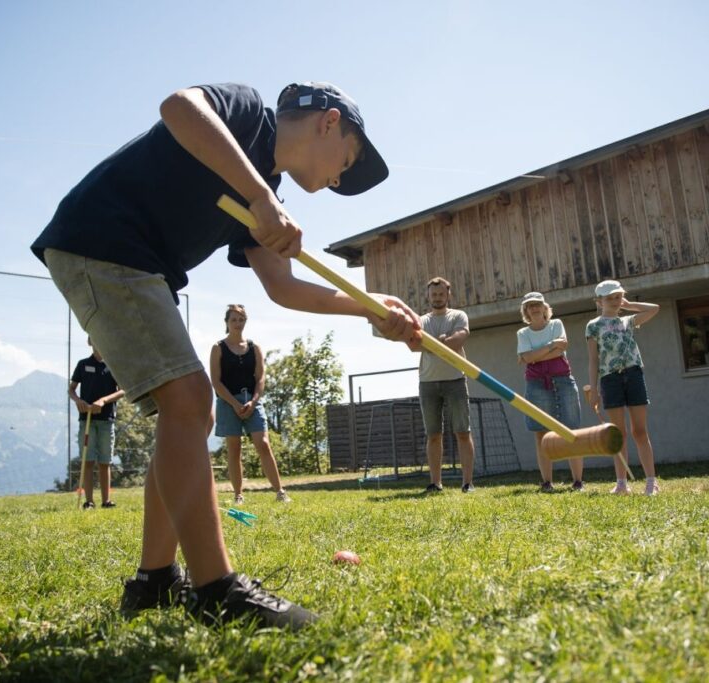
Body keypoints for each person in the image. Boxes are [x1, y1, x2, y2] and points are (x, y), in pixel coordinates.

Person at [31, 82, 420, 630]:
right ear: (327, 122)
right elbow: (178, 108)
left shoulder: (268, 197)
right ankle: (216, 589)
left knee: (186, 411)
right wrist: (260, 196)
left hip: (138, 263)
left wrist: (368, 307)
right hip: (101, 241)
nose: (338, 180)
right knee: (189, 400)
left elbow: (283, 289)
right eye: (346, 162)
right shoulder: (245, 114)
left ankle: (155, 580)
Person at [585, 280, 660, 495]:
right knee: (619, 434)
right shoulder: (593, 326)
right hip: (610, 379)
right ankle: (621, 483)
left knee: (639, 431)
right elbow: (593, 360)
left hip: (633, 375)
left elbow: (654, 309)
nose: (615, 301)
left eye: (618, 296)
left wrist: (628, 305)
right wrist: (594, 389)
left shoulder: (628, 321)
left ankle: (651, 481)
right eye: (609, 298)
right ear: (599, 301)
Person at [210, 304, 290, 504]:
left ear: (246, 321)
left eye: (241, 319)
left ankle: (280, 491)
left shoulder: (255, 348)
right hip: (227, 403)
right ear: (227, 322)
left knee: (263, 444)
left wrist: (253, 402)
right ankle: (238, 494)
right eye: (234, 320)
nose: (238, 323)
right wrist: (235, 404)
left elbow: (261, 378)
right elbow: (216, 381)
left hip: (253, 401)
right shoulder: (218, 347)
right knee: (234, 448)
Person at [516, 292, 584, 492]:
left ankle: (578, 481)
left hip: (563, 380)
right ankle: (547, 482)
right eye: (530, 306)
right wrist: (550, 347)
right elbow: (528, 358)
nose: (535, 308)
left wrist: (534, 355)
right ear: (526, 311)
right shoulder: (522, 333)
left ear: (545, 308)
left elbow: (561, 348)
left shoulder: (556, 325)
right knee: (541, 433)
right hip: (536, 383)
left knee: (572, 430)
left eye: (538, 304)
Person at [418, 277, 475, 493]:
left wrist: (434, 342)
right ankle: (435, 483)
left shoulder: (458, 315)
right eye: (434, 294)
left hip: (455, 380)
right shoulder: (422, 320)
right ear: (429, 296)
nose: (437, 298)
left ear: (448, 294)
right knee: (433, 434)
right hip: (427, 382)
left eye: (441, 294)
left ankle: (467, 483)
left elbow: (458, 340)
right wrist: (443, 341)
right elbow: (414, 344)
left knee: (462, 431)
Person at [69, 338, 124, 509]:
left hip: (107, 420)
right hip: (87, 420)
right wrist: (78, 401)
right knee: (88, 460)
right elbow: (71, 389)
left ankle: (106, 501)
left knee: (105, 461)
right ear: (89, 342)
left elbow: (123, 389)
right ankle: (89, 501)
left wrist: (103, 401)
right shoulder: (83, 364)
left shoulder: (113, 365)